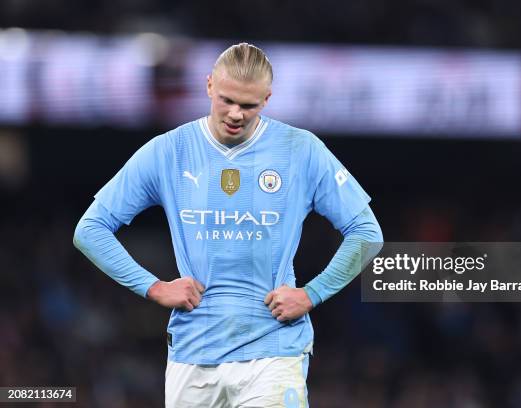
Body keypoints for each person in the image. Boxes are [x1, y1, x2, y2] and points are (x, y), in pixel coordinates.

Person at [74, 42, 383, 408]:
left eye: (249, 105)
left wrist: (311, 293)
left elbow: (367, 233)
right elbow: (90, 229)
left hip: (274, 352)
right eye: (226, 100)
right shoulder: (169, 151)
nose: (236, 113)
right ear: (208, 86)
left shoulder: (300, 150)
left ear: (267, 99)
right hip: (193, 352)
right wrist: (153, 287)